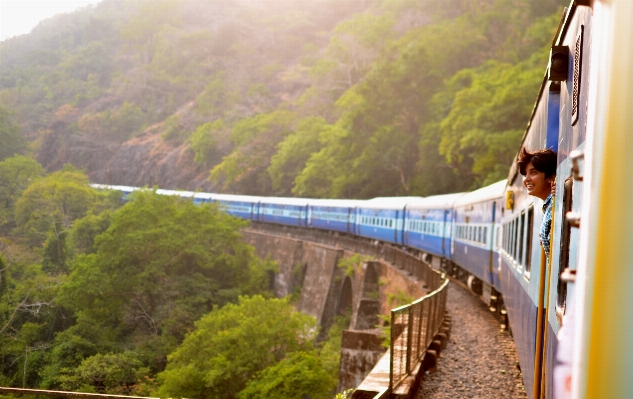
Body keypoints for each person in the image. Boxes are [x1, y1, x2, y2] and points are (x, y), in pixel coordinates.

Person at [516, 147, 557, 261]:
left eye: (533, 172)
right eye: (525, 174)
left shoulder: (556, 206)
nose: (526, 179)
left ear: (551, 177)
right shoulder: (549, 207)